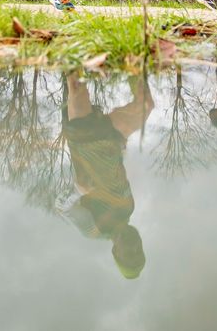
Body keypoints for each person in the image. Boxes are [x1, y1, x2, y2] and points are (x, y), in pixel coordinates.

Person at [57, 73, 154, 278]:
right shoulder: (129, 209)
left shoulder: (93, 230)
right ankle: (131, 58)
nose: (134, 247)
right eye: (139, 251)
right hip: (113, 141)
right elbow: (115, 174)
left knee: (76, 84)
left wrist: (77, 190)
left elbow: (61, 207)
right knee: (146, 104)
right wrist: (122, 150)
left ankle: (73, 47)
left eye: (129, 253)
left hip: (84, 139)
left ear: (115, 253)